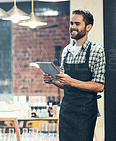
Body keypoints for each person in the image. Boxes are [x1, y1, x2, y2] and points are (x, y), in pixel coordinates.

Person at [43, 9, 105, 141]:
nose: (72, 27)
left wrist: (71, 81)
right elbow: (65, 84)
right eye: (71, 23)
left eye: (77, 23)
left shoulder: (97, 50)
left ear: (88, 27)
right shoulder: (66, 51)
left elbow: (99, 86)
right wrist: (53, 80)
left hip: (85, 112)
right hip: (66, 110)